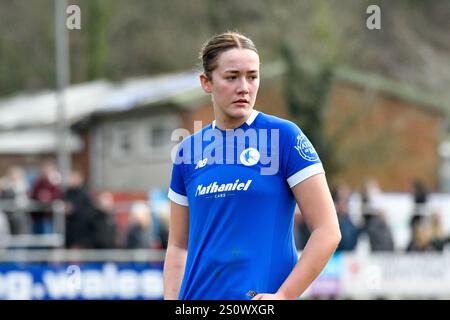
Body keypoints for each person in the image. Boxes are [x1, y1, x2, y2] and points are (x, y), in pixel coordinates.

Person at [163, 32, 341, 300]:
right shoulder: (188, 151)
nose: (244, 87)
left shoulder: (284, 137)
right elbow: (178, 246)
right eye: (232, 77)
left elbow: (327, 231)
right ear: (206, 82)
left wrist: (283, 296)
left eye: (252, 76)